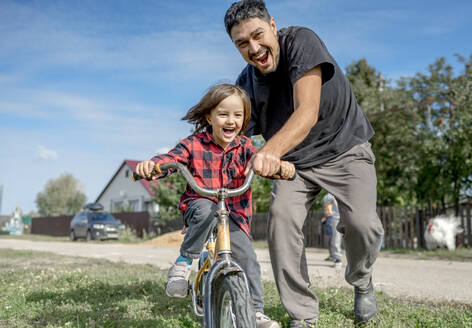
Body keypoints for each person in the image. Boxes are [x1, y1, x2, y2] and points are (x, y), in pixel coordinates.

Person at [224, 1, 384, 326]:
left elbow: (307, 111)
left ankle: (362, 279)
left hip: (344, 149)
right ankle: (302, 314)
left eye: (257, 35)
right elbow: (229, 132)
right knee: (281, 220)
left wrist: (269, 151)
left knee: (362, 225)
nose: (254, 48)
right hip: (293, 165)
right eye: (242, 43)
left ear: (272, 25)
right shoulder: (247, 84)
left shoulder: (301, 41)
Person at [135, 83, 294, 328]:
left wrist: (279, 167)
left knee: (248, 258)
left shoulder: (245, 148)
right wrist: (152, 166)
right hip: (200, 205)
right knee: (207, 210)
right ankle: (184, 264)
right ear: (209, 116)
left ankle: (255, 312)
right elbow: (171, 159)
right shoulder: (194, 143)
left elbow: (263, 162)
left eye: (238, 115)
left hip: (234, 214)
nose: (231, 120)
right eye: (223, 114)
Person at [321, 193, 343, 267]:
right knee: (336, 238)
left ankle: (338, 258)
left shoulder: (330, 194)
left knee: (336, 238)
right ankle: (337, 258)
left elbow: (326, 201)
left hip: (337, 217)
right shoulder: (332, 194)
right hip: (338, 217)